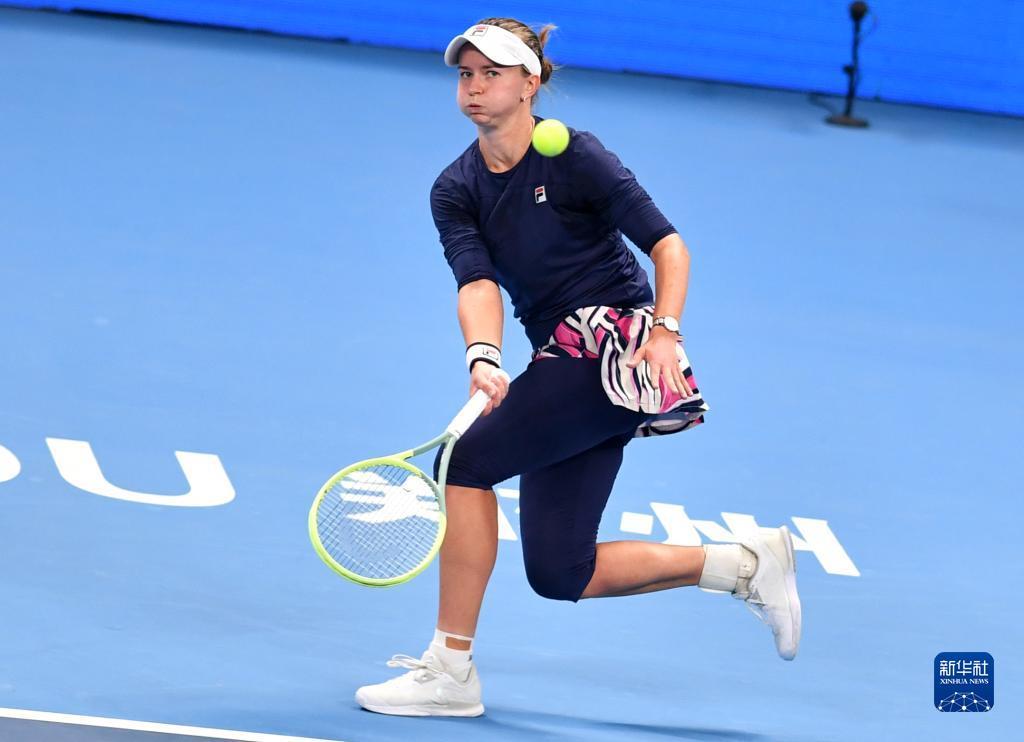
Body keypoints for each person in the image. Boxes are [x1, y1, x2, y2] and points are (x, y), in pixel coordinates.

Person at [355, 17, 801, 718]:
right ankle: (743, 565)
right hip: (556, 356)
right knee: (561, 571)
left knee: (464, 465)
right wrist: (483, 356)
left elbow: (669, 247)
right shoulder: (455, 188)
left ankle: (449, 668)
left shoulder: (576, 156)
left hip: (617, 351)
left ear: (531, 83)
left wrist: (666, 331)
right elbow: (476, 283)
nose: (474, 87)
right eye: (466, 75)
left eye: (492, 73)